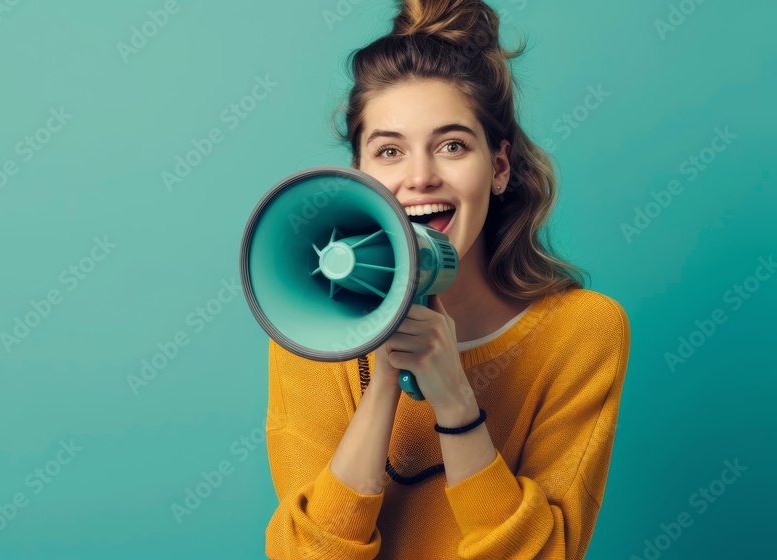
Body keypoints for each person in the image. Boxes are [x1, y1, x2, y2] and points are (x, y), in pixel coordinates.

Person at [263, 1, 631, 558]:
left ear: (499, 167)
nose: (419, 177)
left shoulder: (581, 332)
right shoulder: (312, 327)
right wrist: (385, 378)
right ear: (359, 174)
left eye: (451, 145)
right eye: (389, 151)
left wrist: (455, 400)